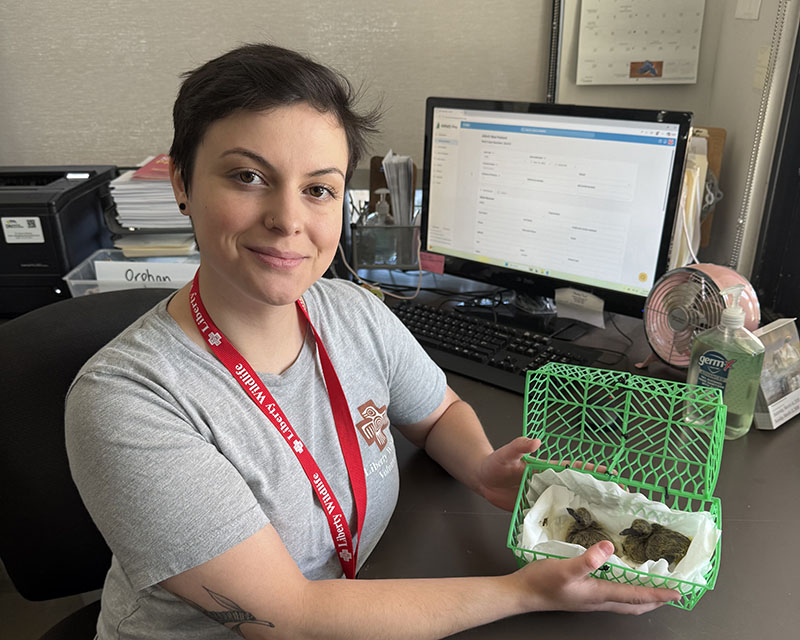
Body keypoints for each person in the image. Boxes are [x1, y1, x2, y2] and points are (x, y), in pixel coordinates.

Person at [65, 43, 679, 639]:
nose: (288, 219)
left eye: (318, 189)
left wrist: (481, 469)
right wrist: (527, 592)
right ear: (182, 182)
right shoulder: (125, 400)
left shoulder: (353, 312)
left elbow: (438, 413)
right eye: (248, 176)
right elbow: (290, 618)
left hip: (359, 599)